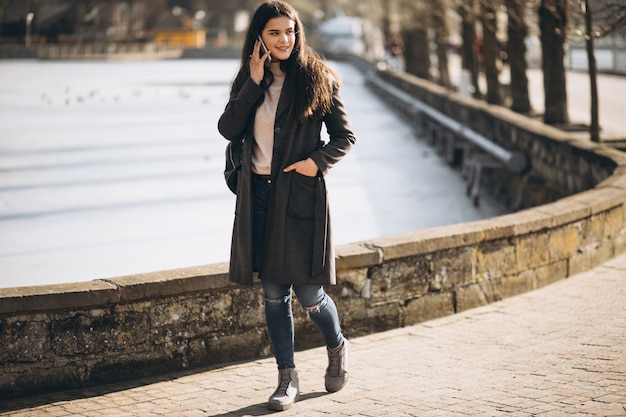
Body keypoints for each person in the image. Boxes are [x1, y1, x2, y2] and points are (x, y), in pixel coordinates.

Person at [217, 0, 356, 411]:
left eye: (290, 32)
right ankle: (286, 378)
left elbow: (344, 137)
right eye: (275, 32)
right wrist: (254, 84)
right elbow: (227, 129)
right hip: (257, 197)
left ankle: (336, 344)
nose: (284, 40)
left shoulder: (318, 78)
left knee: (310, 294)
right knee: (274, 295)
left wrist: (316, 163)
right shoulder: (248, 79)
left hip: (300, 197)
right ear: (259, 36)